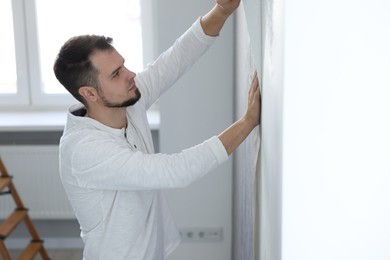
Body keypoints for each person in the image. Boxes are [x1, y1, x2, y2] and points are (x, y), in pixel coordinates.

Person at [53, 0, 260, 259]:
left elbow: (173, 60)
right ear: (89, 93)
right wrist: (246, 123)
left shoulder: (126, 99)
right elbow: (175, 171)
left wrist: (222, 10)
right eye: (116, 74)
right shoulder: (84, 151)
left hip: (151, 250)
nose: (130, 75)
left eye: (124, 65)